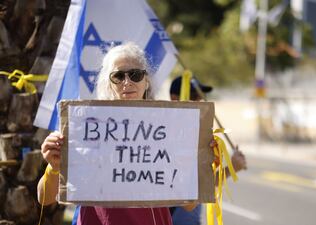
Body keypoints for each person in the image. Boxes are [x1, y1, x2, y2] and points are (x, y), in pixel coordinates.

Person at [37, 42, 214, 225]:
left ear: (146, 82)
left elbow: (190, 205)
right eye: (118, 76)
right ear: (108, 83)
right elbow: (44, 197)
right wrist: (54, 167)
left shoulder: (168, 130)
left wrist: (198, 161)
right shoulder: (85, 127)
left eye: (135, 75)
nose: (127, 82)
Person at [169, 76, 247, 225]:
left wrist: (231, 167)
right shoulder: (169, 134)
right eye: (193, 96)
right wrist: (230, 169)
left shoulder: (195, 132)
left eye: (200, 97)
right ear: (174, 98)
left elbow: (200, 185)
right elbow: (190, 195)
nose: (199, 101)